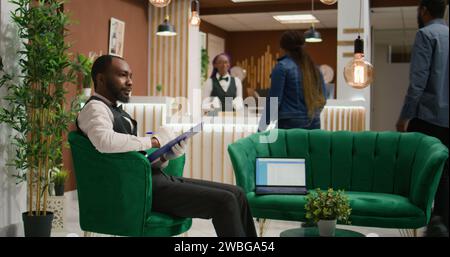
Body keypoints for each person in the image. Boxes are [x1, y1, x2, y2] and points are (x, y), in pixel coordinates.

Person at [76, 55, 257, 237]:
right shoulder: (95, 108)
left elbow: (130, 159)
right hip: (136, 191)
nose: (130, 82)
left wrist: (164, 156)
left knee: (237, 193)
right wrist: (154, 141)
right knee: (225, 201)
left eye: (131, 76)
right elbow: (105, 142)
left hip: (150, 180)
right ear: (100, 79)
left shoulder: (113, 109)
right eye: (123, 75)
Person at [396, 0, 449, 233]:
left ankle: (422, 221)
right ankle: (441, 222)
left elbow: (418, 83)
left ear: (424, 10)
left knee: (421, 171)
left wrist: (404, 117)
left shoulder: (426, 35)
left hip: (429, 118)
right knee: (446, 172)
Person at [258, 30, 326, 131]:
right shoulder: (314, 69)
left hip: (289, 123)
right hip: (314, 121)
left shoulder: (282, 67)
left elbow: (274, 101)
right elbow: (323, 98)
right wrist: (314, 113)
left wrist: (261, 129)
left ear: (282, 48)